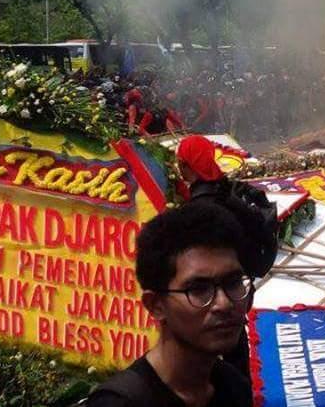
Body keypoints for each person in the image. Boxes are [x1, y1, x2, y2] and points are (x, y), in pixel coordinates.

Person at [87, 203, 253, 406]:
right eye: (199, 290)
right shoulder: (120, 403)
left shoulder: (233, 387)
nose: (224, 303)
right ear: (156, 305)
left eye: (233, 283)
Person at [176, 135, 278, 377]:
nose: (178, 168)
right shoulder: (227, 192)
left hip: (216, 293)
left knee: (216, 344)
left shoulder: (198, 210)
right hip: (239, 287)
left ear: (188, 166)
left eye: (181, 163)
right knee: (235, 340)